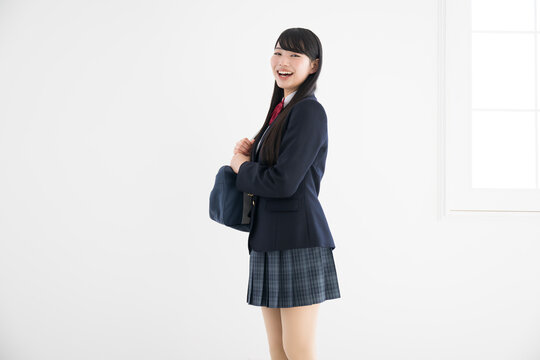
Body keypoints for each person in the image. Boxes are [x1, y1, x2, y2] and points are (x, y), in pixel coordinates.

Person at [229, 27, 340, 360]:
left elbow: (283, 182)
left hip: (297, 240)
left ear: (313, 65)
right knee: (278, 350)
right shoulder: (283, 109)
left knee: (298, 349)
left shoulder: (308, 110)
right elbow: (278, 169)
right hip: (269, 240)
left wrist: (241, 167)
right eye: (278, 52)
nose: (283, 61)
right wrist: (252, 152)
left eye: (295, 55)